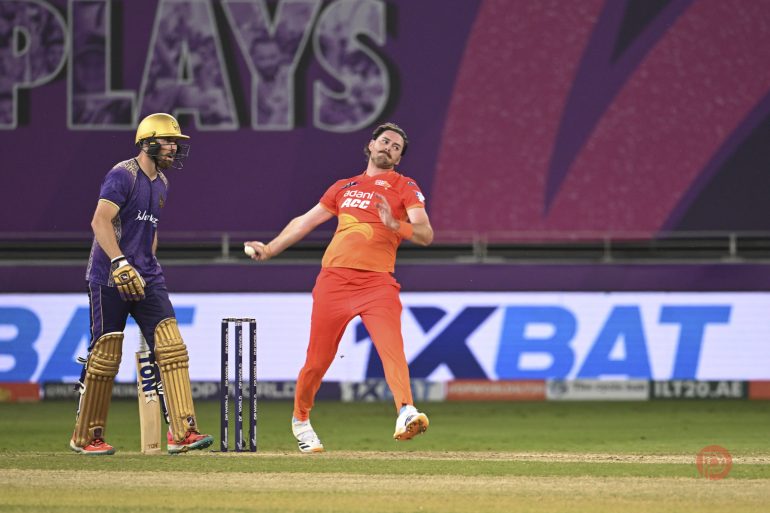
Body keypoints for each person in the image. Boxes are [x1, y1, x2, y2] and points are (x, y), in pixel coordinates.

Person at [245, 122, 433, 453]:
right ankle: (300, 420)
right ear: (371, 144)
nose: (389, 148)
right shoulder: (343, 187)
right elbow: (305, 221)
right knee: (317, 362)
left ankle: (406, 410)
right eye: (385, 141)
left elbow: (425, 233)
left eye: (396, 147)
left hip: (378, 283)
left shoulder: (405, 186)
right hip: (334, 281)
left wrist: (394, 224)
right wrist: (270, 249)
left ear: (399, 158)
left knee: (393, 350)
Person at [70, 112, 213, 455]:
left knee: (172, 347)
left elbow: (150, 231)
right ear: (148, 141)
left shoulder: (162, 183)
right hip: (110, 276)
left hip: (147, 276)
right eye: (168, 141)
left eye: (176, 143)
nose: (174, 148)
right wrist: (120, 263)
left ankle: (182, 433)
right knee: (105, 356)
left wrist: (148, 264)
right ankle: (86, 437)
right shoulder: (122, 175)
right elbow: (100, 220)